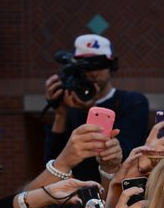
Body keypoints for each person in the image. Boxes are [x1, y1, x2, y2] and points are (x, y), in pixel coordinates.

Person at [44, 34, 149, 183]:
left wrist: (90, 109)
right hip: (73, 195)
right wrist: (60, 113)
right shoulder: (71, 103)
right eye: (85, 66)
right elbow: (52, 163)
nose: (93, 73)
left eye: (98, 64)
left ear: (111, 66)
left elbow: (126, 150)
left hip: (113, 194)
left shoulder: (132, 102)